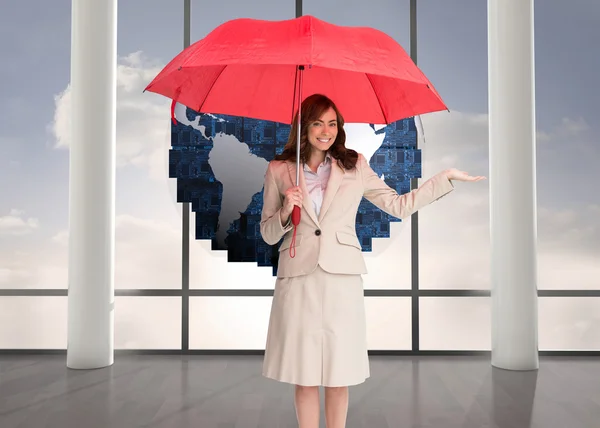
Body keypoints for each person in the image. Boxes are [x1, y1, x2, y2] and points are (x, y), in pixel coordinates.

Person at [259, 93, 485, 428]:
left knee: (339, 373)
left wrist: (444, 179)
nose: (326, 130)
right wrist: (283, 210)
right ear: (303, 126)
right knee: (303, 374)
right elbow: (267, 233)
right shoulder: (279, 170)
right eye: (318, 123)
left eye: (332, 123)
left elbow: (398, 205)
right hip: (298, 277)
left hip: (342, 278)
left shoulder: (355, 165)